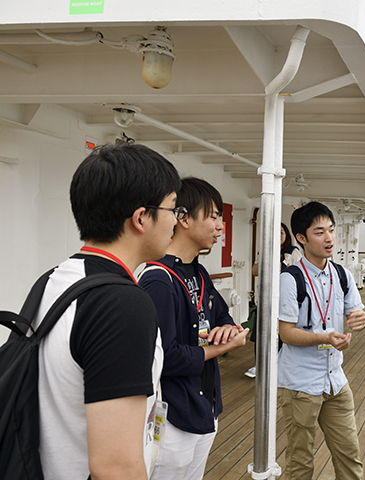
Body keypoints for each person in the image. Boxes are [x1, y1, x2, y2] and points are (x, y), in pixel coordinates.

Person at [33, 143, 182, 479]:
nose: (176, 220)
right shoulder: (121, 304)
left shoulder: (53, 280)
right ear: (141, 218)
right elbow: (115, 466)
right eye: (173, 208)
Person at [139, 177, 249, 480]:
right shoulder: (158, 280)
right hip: (173, 415)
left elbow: (223, 315)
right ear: (184, 218)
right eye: (213, 216)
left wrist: (227, 328)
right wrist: (223, 347)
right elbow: (166, 357)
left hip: (204, 406)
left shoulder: (199, 273)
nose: (220, 226)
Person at [277, 201, 365, 480]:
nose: (329, 238)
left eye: (331, 230)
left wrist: (360, 320)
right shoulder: (290, 279)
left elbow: (356, 313)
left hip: (335, 381)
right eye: (319, 232)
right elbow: (285, 333)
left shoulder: (342, 275)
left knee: (349, 456)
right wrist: (325, 338)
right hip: (301, 384)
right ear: (301, 238)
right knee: (300, 461)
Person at [246, 222, 302, 378]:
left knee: (282, 333)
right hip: (265, 299)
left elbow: (300, 274)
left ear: (287, 235)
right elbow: (255, 271)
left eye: (282, 232)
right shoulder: (265, 251)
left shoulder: (293, 252)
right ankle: (259, 365)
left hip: (283, 300)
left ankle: (280, 365)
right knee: (261, 333)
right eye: (275, 232)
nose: (279, 235)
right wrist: (268, 255)